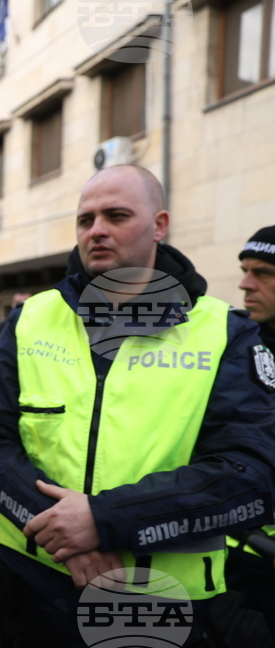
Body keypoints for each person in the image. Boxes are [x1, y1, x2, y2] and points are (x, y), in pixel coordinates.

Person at [0, 165, 275, 646]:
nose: (97, 230)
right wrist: (67, 536)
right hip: (25, 585)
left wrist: (106, 521)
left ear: (159, 225)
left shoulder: (225, 333)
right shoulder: (33, 317)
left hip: (153, 596)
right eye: (85, 220)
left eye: (117, 215)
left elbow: (250, 474)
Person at [224, 225, 275, 635]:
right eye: (245, 271)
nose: (244, 284)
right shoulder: (236, 346)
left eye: (263, 273)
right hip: (229, 564)